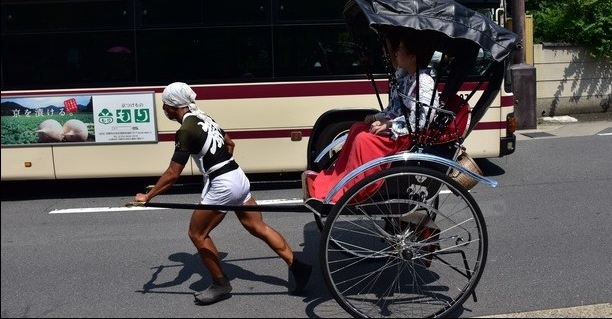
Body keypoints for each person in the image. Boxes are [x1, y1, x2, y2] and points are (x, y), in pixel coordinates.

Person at [134, 82, 312, 306]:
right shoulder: (205, 118)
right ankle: (299, 266)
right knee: (258, 227)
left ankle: (220, 283)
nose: (164, 110)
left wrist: (148, 196)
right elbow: (230, 143)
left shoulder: (186, 130)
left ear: (173, 106)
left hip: (223, 183)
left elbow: (172, 174)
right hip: (237, 175)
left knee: (197, 234)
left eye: (165, 105)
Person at [308, 34, 437, 203]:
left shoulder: (424, 82)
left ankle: (355, 188)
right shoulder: (407, 77)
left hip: (406, 135)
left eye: (400, 50)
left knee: (363, 140)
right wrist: (378, 117)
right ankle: (339, 179)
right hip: (400, 128)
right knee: (357, 128)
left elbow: (421, 120)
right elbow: (395, 109)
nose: (396, 53)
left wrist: (389, 125)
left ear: (412, 56)